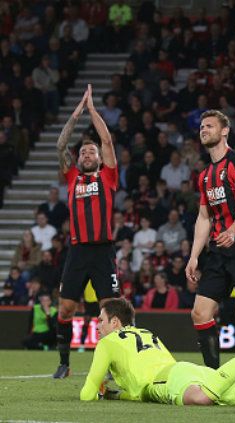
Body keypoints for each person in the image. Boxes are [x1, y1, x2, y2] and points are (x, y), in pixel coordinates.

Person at [80, 298, 235, 407]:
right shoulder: (146, 332)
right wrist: (115, 396)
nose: (98, 326)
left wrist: (101, 392)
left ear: (115, 323)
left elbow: (87, 394)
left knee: (201, 399)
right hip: (186, 371)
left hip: (166, 382)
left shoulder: (108, 342)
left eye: (101, 321)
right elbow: (135, 391)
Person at [185, 110, 235, 383]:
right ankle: (212, 377)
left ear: (225, 131)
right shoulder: (205, 175)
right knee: (200, 313)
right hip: (219, 252)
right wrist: (194, 256)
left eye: (209, 126)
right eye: (201, 127)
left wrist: (232, 231)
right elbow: (204, 217)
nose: (203, 129)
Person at [53, 85, 120, 379]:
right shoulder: (72, 178)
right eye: (84, 151)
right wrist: (76, 114)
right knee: (66, 309)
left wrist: (93, 111)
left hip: (103, 251)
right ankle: (64, 363)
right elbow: (60, 145)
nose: (88, 153)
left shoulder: (108, 175)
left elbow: (106, 138)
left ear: (100, 157)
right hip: (78, 251)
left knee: (109, 312)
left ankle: (110, 367)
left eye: (92, 151)